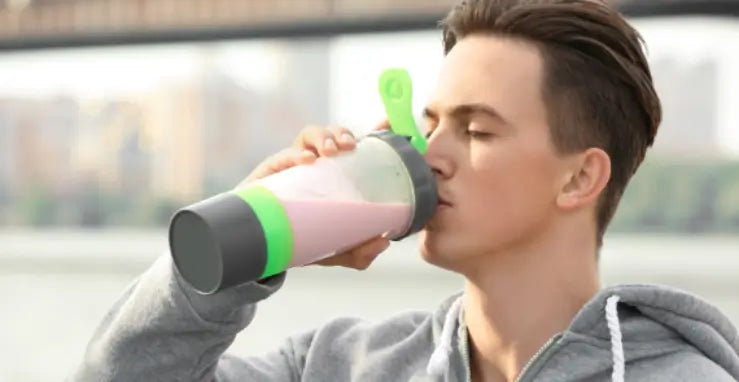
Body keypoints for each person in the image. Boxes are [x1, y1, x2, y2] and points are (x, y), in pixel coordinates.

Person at [72, 0, 739, 381]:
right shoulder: (339, 364)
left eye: (475, 129)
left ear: (579, 177)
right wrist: (248, 234)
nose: (432, 155)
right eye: (428, 124)